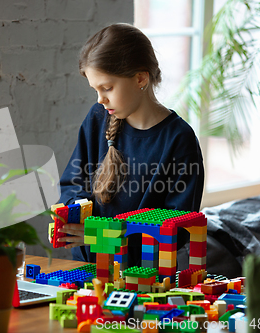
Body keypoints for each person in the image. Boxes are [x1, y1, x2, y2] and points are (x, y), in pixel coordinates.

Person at [55, 23, 205, 267]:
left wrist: (102, 235)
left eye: (107, 88)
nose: (100, 98)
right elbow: (73, 181)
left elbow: (179, 228)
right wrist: (75, 207)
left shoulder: (179, 139)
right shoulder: (97, 118)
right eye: (95, 89)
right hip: (87, 267)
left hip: (141, 278)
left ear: (140, 78)